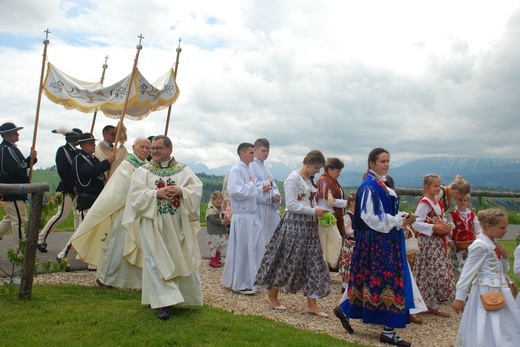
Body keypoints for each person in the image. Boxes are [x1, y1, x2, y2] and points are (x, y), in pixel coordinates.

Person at [334, 148, 416, 346]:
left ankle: (345, 309)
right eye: (382, 161)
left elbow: (385, 211)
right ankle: (388, 330)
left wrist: (401, 217)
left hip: (386, 239)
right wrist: (397, 221)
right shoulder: (370, 187)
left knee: (372, 281)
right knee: (388, 281)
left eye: (388, 161)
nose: (386, 164)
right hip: (377, 242)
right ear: (371, 163)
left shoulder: (382, 184)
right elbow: (371, 218)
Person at [122, 135, 203, 320]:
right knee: (155, 260)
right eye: (152, 148)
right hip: (153, 224)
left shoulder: (183, 170)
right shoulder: (143, 172)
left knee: (179, 257)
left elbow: (196, 188)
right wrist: (155, 193)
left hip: (177, 224)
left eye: (158, 148)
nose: (154, 152)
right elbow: (134, 197)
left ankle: (181, 297)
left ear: (169, 149)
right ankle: (162, 303)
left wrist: (181, 191)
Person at [255, 150, 332, 317]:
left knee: (313, 261)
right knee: (289, 259)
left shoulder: (308, 179)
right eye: (316, 168)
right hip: (294, 224)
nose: (317, 172)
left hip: (309, 225)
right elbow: (291, 204)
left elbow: (307, 201)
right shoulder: (293, 178)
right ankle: (272, 294)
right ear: (309, 163)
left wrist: (320, 211)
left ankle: (312, 303)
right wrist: (313, 211)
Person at [70, 137, 150, 289]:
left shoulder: (148, 166)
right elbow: (125, 187)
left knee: (139, 246)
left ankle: (133, 281)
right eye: (142, 147)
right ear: (133, 147)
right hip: (124, 210)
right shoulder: (127, 165)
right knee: (117, 246)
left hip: (140, 212)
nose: (145, 150)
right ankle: (105, 278)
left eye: (148, 147)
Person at [452, 209, 520, 346]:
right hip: (486, 290)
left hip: (501, 289)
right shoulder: (480, 246)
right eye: (502, 227)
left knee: (505, 322)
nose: (506, 230)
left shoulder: (494, 244)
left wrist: (505, 257)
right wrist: (459, 297)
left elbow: (503, 270)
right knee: (486, 322)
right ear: (488, 227)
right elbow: (467, 273)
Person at [57, 133, 115, 262]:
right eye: (90, 143)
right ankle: (63, 254)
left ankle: (91, 259)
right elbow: (91, 172)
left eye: (93, 142)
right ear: (83, 145)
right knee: (82, 231)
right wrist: (107, 162)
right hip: (86, 200)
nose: (93, 145)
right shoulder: (79, 159)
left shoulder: (92, 158)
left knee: (94, 231)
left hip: (95, 199)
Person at [221, 142, 263, 295]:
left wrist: (258, 187)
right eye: (251, 153)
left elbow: (251, 189)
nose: (254, 155)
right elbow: (236, 191)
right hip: (242, 216)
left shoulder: (246, 169)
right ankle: (241, 283)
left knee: (251, 248)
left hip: (250, 216)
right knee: (244, 250)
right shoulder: (236, 170)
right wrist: (252, 186)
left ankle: (250, 279)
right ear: (242, 153)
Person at [412, 174, 455, 319]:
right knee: (428, 272)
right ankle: (414, 306)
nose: (438, 188)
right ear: (426, 187)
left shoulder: (437, 204)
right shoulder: (424, 204)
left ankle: (431, 303)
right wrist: (433, 227)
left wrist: (446, 227)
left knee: (433, 273)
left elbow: (440, 220)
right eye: (435, 186)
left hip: (437, 243)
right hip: (428, 243)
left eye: (439, 185)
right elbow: (415, 222)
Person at [37, 127, 83, 253]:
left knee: (79, 215)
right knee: (62, 215)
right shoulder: (62, 151)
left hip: (78, 188)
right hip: (67, 188)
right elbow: (63, 170)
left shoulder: (79, 152)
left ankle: (78, 241)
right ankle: (40, 239)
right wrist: (73, 185)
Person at [0, 122, 37, 246]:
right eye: (15, 132)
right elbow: (14, 170)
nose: (18, 133)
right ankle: (21, 253)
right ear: (6, 135)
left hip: (16, 189)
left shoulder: (11, 148)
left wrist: (32, 159)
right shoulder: (6, 149)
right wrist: (25, 181)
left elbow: (20, 166)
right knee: (20, 221)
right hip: (13, 190)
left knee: (10, 220)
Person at [249, 138, 281, 249]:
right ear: (255, 149)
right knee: (259, 244)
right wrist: (268, 183)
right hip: (259, 209)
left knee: (271, 244)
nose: (266, 154)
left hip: (270, 210)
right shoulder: (251, 165)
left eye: (268, 151)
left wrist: (276, 196)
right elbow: (253, 187)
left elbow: (273, 186)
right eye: (263, 150)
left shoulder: (267, 167)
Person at [316, 157, 346, 268]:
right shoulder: (324, 181)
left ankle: (328, 266)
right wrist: (347, 203)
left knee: (330, 243)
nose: (339, 174)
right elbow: (329, 200)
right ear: (330, 169)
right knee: (331, 242)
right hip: (325, 217)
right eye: (337, 171)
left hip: (330, 216)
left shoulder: (330, 180)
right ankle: (328, 265)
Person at [446, 193, 482, 279]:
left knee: (467, 268)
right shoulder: (452, 215)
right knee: (455, 267)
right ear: (456, 201)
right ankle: (455, 286)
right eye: (460, 200)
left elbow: (478, 228)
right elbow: (448, 229)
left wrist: (477, 236)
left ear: (468, 202)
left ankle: (464, 287)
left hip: (469, 245)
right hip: (457, 245)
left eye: (464, 200)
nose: (462, 202)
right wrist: (448, 240)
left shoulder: (472, 215)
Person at [337, 191, 356, 292]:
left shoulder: (358, 216)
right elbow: (348, 231)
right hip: (350, 243)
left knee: (352, 264)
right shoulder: (348, 216)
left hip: (356, 243)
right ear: (352, 202)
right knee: (348, 263)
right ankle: (345, 285)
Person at [205, 191, 230, 268]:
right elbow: (212, 219)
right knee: (215, 246)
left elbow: (222, 215)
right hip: (214, 231)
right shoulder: (210, 209)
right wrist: (222, 221)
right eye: (217, 203)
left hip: (220, 230)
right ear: (213, 200)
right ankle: (213, 260)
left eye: (220, 203)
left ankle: (217, 256)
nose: (219, 204)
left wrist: (226, 218)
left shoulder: (220, 208)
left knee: (224, 242)